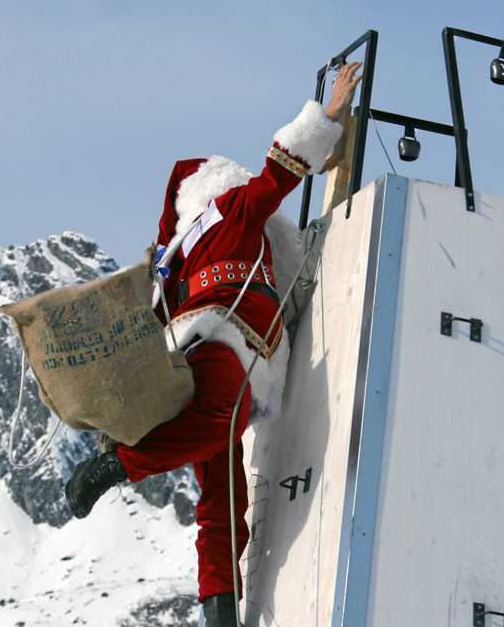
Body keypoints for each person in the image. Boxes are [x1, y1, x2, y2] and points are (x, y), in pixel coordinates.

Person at [63, 61, 364, 626]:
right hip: (235, 338)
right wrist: (323, 119)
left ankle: (216, 607)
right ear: (214, 187)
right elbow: (273, 178)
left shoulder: (175, 260)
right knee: (219, 466)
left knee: (220, 495)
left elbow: (143, 330)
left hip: (212, 344)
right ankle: (120, 476)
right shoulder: (218, 219)